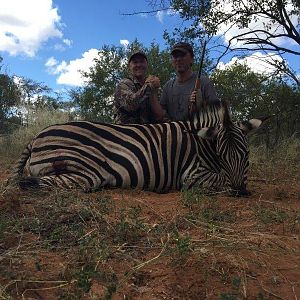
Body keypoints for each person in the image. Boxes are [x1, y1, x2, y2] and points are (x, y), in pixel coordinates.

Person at [160, 42, 220, 121]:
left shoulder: (205, 82)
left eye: (182, 55)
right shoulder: (168, 86)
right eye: (175, 56)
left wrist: (201, 105)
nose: (178, 59)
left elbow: (217, 113)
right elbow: (161, 114)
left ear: (192, 59)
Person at [113, 51, 165, 124]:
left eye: (142, 62)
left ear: (147, 65)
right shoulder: (123, 84)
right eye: (135, 62)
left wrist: (153, 91)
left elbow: (160, 115)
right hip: (125, 132)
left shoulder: (154, 85)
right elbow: (131, 104)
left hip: (148, 132)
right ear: (129, 66)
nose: (139, 65)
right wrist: (149, 85)